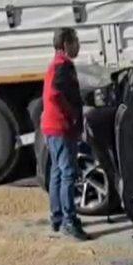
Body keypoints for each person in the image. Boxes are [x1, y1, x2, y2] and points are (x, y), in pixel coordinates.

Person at [41, 27, 89, 241]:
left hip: (52, 126)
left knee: (58, 173)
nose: (78, 45)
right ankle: (69, 221)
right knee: (68, 173)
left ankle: (57, 217)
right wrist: (72, 115)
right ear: (66, 44)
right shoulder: (63, 66)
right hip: (60, 127)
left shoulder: (55, 64)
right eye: (76, 41)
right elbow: (55, 94)